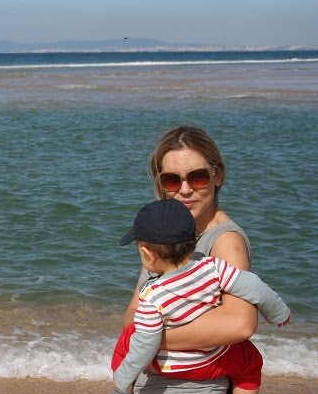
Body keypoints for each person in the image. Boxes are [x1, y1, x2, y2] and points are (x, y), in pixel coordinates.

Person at [122, 125, 260, 393]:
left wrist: (147, 339)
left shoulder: (225, 240)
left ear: (217, 176)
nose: (185, 190)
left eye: (197, 177)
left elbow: (241, 323)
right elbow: (131, 314)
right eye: (172, 180)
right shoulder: (166, 236)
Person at [111, 199, 291, 394]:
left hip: (169, 366)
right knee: (250, 360)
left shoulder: (151, 296)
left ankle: (122, 387)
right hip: (214, 358)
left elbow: (145, 344)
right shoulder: (212, 267)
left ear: (148, 254)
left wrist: (124, 377)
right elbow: (254, 286)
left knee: (128, 338)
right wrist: (278, 313)